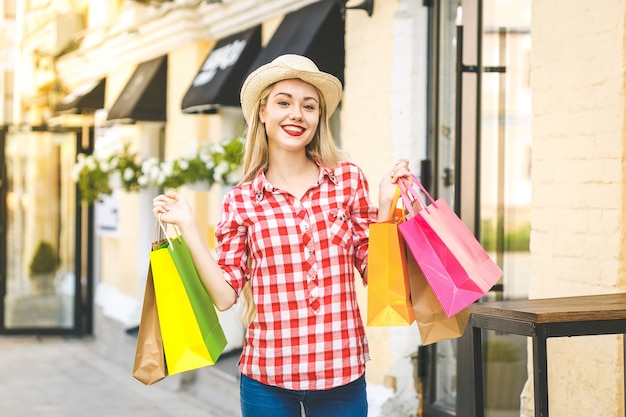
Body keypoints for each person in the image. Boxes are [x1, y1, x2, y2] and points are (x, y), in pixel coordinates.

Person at [153, 54, 412, 417]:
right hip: (267, 377)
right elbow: (225, 296)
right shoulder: (242, 200)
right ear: (262, 112)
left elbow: (377, 275)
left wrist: (385, 207)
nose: (297, 114)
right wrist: (189, 226)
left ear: (319, 118)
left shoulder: (348, 180)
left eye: (309, 106)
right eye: (284, 102)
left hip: (341, 373)